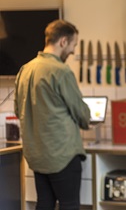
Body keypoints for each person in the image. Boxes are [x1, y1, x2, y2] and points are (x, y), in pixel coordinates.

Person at [14, 19, 91, 210]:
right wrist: (87, 118)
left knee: (44, 204)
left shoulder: (25, 69)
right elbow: (81, 112)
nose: (73, 51)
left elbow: (18, 110)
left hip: (37, 155)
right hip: (62, 155)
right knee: (69, 205)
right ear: (63, 41)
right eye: (73, 45)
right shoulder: (61, 71)